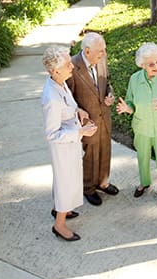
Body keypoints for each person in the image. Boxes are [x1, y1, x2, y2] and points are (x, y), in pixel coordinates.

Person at [41, 46, 98, 241]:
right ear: (55, 70)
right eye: (67, 64)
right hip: (63, 149)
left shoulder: (60, 83)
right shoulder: (51, 98)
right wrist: (80, 131)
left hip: (70, 144)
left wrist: (78, 112)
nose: (72, 66)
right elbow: (52, 134)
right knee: (66, 183)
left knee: (67, 180)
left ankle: (59, 208)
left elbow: (69, 104)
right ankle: (60, 224)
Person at [116, 42, 157, 206]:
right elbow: (131, 103)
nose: (156, 66)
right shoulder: (134, 79)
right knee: (142, 157)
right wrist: (127, 108)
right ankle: (144, 182)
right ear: (142, 65)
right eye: (151, 64)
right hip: (142, 128)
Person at [66, 32, 119, 206]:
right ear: (87, 51)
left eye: (104, 50)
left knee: (105, 148)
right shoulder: (72, 66)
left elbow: (107, 82)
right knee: (90, 153)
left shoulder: (102, 59)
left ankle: (103, 182)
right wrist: (79, 111)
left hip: (104, 116)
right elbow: (67, 97)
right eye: (100, 51)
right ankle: (88, 188)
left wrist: (109, 94)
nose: (104, 53)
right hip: (87, 121)